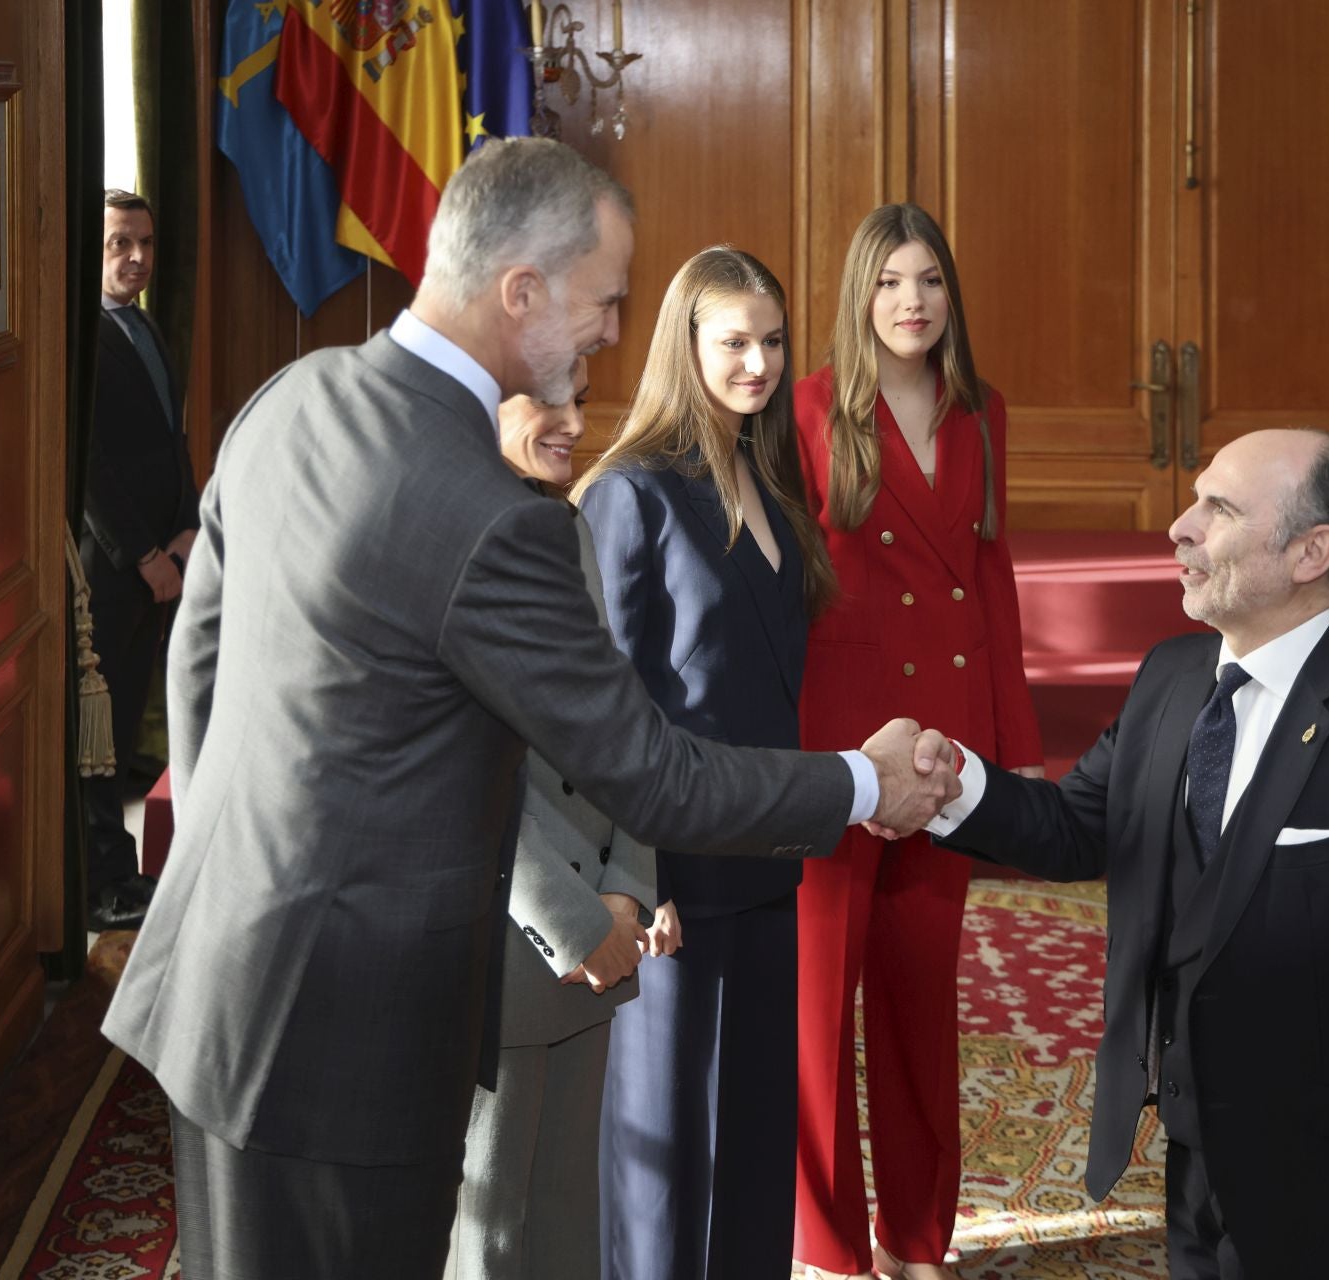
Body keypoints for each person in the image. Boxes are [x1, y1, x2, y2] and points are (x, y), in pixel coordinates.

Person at [98, 138, 958, 1280]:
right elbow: (652, 770)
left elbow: (198, 647)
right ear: (523, 292)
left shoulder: (293, 393)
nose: (612, 330)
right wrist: (865, 779)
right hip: (354, 1041)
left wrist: (225, 859)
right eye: (604, 300)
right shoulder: (499, 515)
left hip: (212, 989)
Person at [908, 428, 1329, 1280]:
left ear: (1312, 552)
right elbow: (1078, 828)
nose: (1179, 526)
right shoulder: (1171, 678)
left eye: (1219, 509)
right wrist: (949, 784)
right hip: (1191, 1154)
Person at [790, 203, 1044, 1280]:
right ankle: (831, 1247)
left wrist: (1012, 744)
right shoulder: (805, 407)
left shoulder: (981, 409)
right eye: (891, 280)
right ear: (861, 294)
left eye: (930, 279)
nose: (912, 300)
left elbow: (990, 575)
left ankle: (918, 1238)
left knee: (919, 1002)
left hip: (945, 753)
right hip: (836, 745)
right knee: (816, 1011)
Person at [574, 245, 838, 1279]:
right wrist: (638, 878)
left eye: (772, 341)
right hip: (673, 881)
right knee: (665, 1170)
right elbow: (607, 713)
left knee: (754, 1151)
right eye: (734, 342)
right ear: (683, 346)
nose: (759, 363)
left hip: (768, 867)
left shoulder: (774, 479)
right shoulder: (628, 494)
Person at [444, 359, 658, 1280]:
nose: (574, 421)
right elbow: (459, 770)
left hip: (599, 932)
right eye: (548, 401)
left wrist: (630, 886)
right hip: (510, 937)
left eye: (580, 396)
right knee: (491, 1233)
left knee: (569, 1225)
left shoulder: (566, 527)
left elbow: (619, 723)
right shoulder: (451, 537)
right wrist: (574, 920)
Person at [78, 188, 197, 931]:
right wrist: (147, 553)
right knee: (101, 734)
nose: (136, 258)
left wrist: (188, 530)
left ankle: (123, 871)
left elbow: (170, 443)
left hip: (168, 555)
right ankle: (102, 883)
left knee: (126, 727)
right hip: (112, 567)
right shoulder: (82, 333)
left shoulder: (146, 325)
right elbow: (88, 466)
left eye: (146, 244)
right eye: (120, 243)